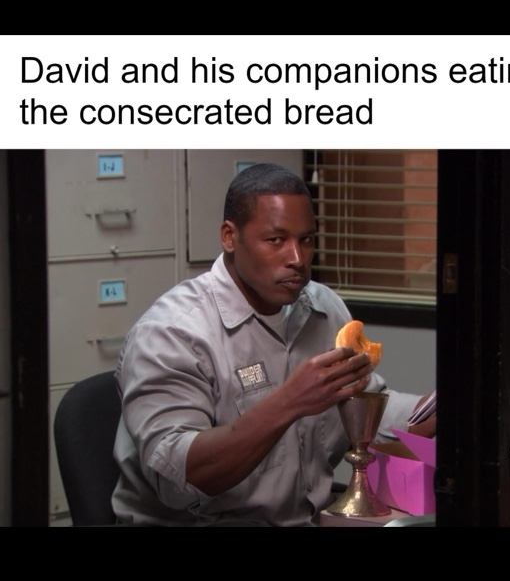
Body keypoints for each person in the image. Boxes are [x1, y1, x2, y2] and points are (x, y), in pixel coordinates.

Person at [112, 162, 436, 527]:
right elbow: (179, 479)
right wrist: (291, 402)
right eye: (276, 240)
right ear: (230, 237)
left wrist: (443, 407)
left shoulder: (324, 307)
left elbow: (365, 411)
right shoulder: (172, 333)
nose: (297, 259)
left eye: (306, 240)